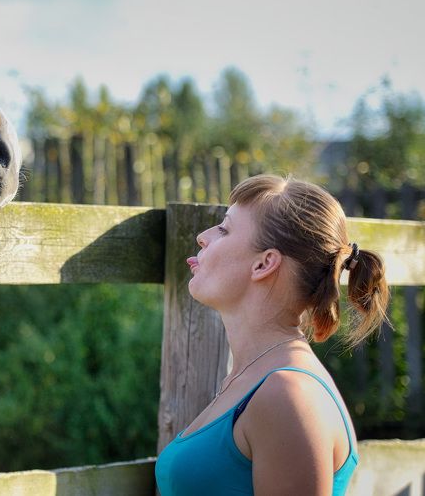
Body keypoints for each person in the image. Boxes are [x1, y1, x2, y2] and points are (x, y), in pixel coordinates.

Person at [155, 174, 390, 495]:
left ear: (265, 263)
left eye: (223, 229)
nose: (202, 236)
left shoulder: (287, 395)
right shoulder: (253, 377)